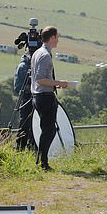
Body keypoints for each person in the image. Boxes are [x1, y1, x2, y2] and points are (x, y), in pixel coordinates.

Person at [30, 26, 70, 170]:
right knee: (49, 130)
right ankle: (43, 161)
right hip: (45, 96)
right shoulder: (45, 56)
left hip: (37, 95)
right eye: (57, 37)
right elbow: (41, 79)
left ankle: (41, 160)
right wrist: (58, 83)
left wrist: (56, 84)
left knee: (46, 129)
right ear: (52, 38)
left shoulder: (37, 53)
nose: (58, 40)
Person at [13, 52, 35, 151]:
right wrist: (32, 88)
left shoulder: (37, 66)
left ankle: (33, 148)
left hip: (36, 100)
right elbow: (18, 88)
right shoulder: (22, 67)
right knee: (25, 125)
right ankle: (20, 148)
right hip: (26, 100)